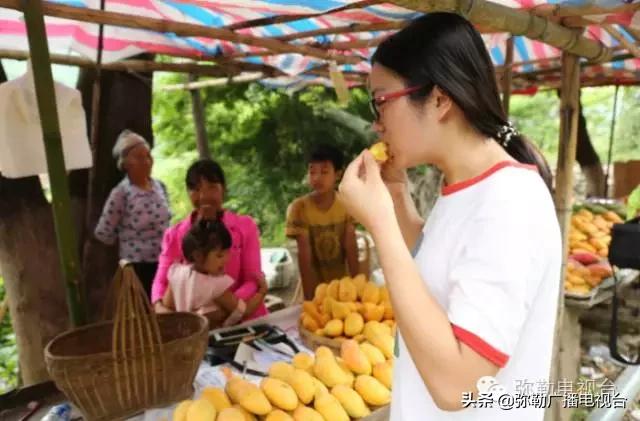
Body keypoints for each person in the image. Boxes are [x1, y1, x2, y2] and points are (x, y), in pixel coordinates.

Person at [337, 13, 561, 421]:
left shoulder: (510, 202)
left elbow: (459, 385)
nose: (375, 122)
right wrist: (397, 198)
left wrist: (381, 224)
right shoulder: (467, 188)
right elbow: (436, 269)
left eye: (381, 101)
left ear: (439, 99)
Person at [151, 159, 267, 320]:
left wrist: (222, 306)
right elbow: (161, 283)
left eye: (212, 187)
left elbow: (253, 280)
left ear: (223, 189)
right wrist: (163, 310)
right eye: (196, 189)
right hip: (195, 328)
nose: (204, 196)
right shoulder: (174, 235)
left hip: (245, 322)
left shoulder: (245, 226)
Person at [94, 130, 171, 297]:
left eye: (148, 156)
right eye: (139, 157)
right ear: (125, 163)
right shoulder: (121, 193)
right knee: (144, 316)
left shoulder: (160, 187)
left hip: (164, 262)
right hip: (137, 268)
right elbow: (104, 233)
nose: (146, 161)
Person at [285, 144, 360, 300]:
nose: (317, 178)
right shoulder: (299, 208)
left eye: (324, 172)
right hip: (314, 290)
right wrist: (310, 299)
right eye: (312, 172)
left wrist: (358, 288)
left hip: (343, 290)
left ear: (338, 174)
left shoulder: (347, 204)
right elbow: (305, 259)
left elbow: (351, 249)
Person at [163, 218, 268, 328]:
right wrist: (261, 292)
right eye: (220, 255)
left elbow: (168, 308)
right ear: (198, 255)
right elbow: (243, 311)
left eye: (228, 253)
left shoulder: (176, 273)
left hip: (185, 339)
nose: (226, 260)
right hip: (208, 340)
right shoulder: (215, 285)